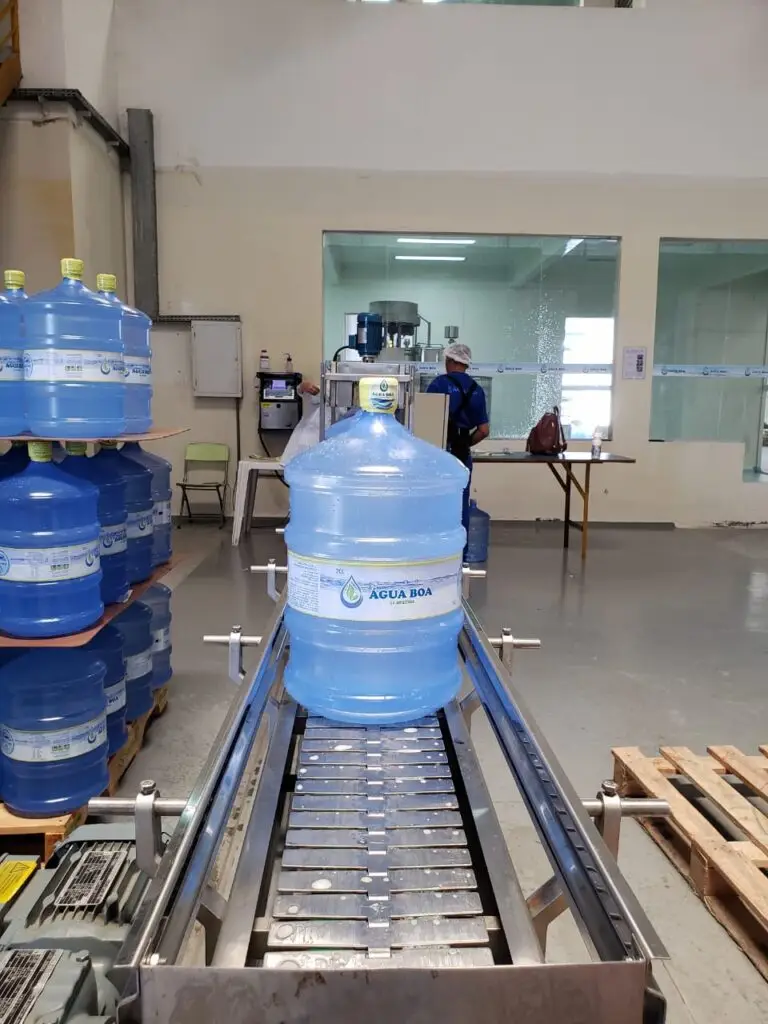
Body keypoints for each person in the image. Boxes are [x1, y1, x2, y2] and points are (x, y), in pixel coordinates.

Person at [426, 343, 489, 539]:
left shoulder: (438, 385)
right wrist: (465, 443)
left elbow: (426, 422)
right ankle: (461, 550)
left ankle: (438, 547)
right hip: (462, 454)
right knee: (461, 502)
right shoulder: (477, 390)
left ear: (450, 360)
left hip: (438, 453)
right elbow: (484, 430)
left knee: (435, 500)